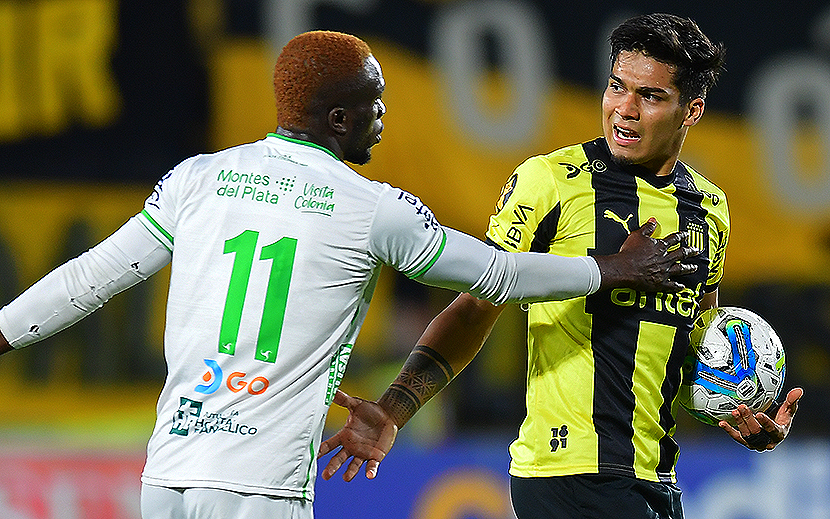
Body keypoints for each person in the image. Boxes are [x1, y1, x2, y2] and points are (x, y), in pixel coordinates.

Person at [0, 30, 697, 519]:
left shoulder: (196, 179)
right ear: (340, 117)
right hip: (261, 488)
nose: (384, 116)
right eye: (375, 101)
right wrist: (609, 268)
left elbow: (88, 279)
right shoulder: (370, 209)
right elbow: (497, 275)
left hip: (168, 477)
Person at [320, 14, 804, 519]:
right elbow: (474, 309)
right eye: (617, 87)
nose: (625, 109)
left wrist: (740, 409)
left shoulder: (709, 208)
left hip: (656, 478)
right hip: (569, 474)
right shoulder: (551, 182)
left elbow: (689, 354)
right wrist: (394, 409)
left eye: (651, 96)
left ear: (692, 110)